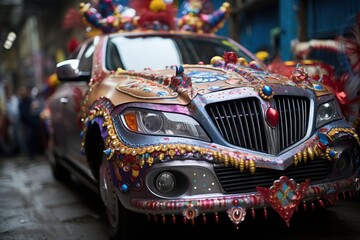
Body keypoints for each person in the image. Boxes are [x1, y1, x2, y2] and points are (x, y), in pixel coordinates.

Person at [18, 86, 42, 160]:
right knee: (29, 138)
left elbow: (35, 110)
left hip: (34, 122)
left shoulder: (30, 100)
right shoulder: (21, 104)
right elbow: (25, 115)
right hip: (28, 124)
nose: (23, 92)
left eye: (24, 90)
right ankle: (31, 155)